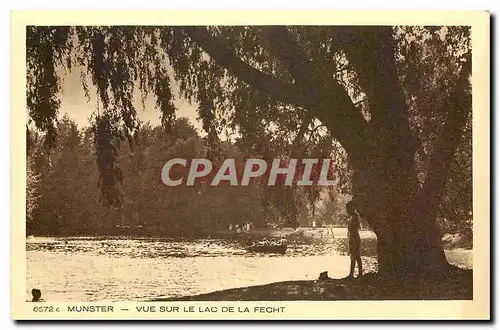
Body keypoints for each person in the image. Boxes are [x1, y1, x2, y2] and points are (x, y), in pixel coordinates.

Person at [346, 200, 362, 279]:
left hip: (354, 237)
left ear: (352, 208)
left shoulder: (354, 216)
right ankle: (358, 274)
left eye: (348, 208)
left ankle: (352, 275)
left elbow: (355, 227)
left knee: (354, 255)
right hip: (352, 237)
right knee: (356, 256)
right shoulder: (351, 216)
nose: (346, 210)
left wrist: (353, 238)